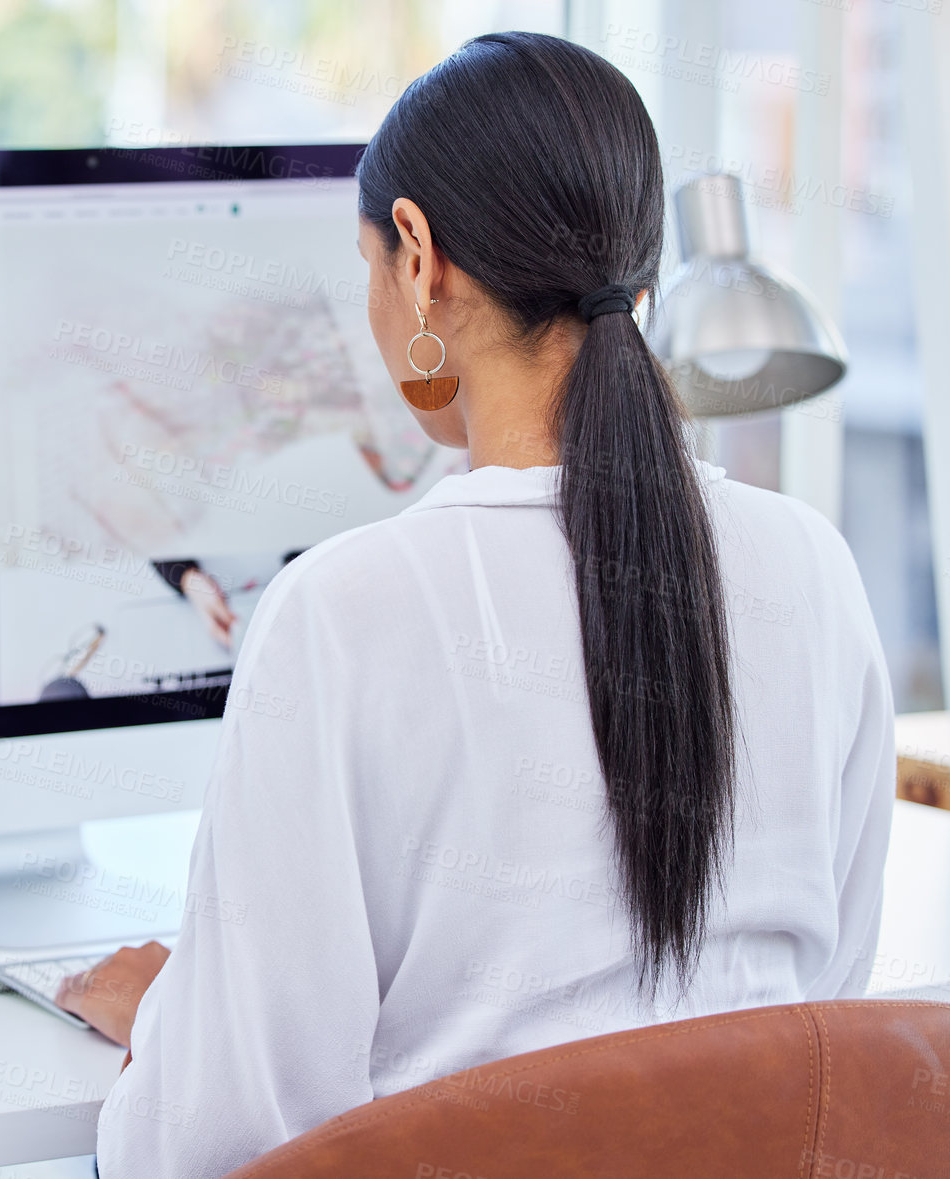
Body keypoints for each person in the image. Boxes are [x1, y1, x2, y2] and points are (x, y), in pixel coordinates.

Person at [57, 30, 895, 1178]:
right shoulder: (813, 566)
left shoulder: (341, 614)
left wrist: (174, 1021)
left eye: (366, 264)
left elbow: (214, 1145)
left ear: (417, 257)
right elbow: (808, 1035)